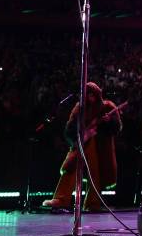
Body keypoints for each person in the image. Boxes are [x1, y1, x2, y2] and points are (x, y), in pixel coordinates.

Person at [42, 82, 121, 211]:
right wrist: (83, 135)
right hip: (83, 144)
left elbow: (116, 128)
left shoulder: (107, 107)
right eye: (87, 94)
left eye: (92, 94)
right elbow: (69, 130)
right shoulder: (79, 109)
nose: (90, 97)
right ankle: (61, 198)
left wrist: (109, 122)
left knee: (96, 173)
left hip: (100, 147)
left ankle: (93, 202)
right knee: (71, 168)